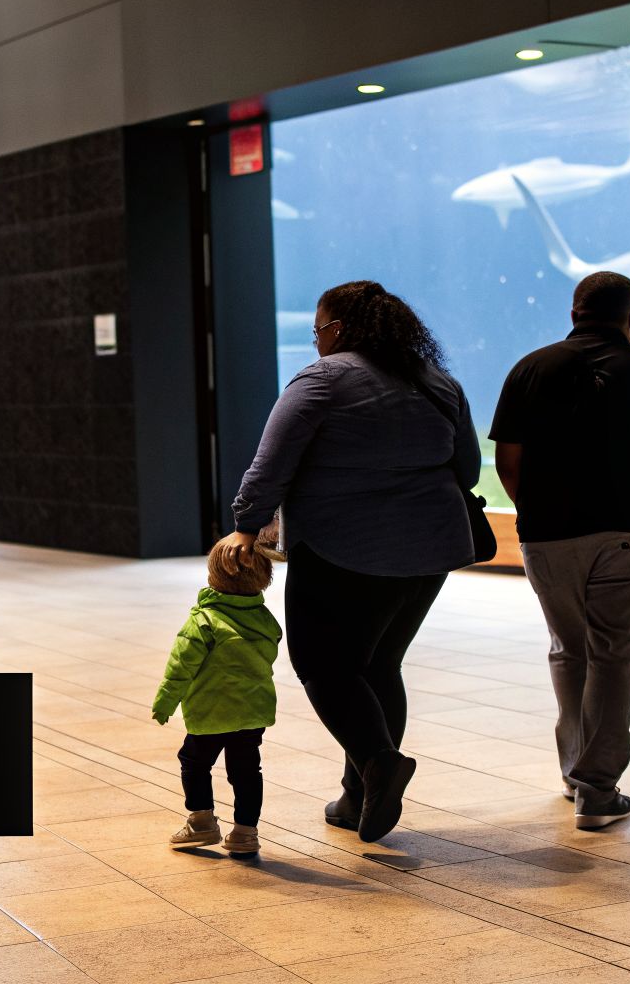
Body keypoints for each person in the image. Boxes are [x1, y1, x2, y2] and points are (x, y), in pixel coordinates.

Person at [221, 280, 480, 844]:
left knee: (323, 665)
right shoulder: (438, 382)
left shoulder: (324, 379)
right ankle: (358, 794)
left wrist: (246, 524)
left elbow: (272, 463)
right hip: (430, 550)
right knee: (380, 664)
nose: (317, 341)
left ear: (338, 329)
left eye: (319, 330)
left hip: (345, 547)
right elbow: (468, 469)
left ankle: (379, 762)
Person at [490, 270, 630, 831]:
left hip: (545, 539)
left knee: (570, 649)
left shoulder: (529, 369)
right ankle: (597, 789)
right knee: (615, 655)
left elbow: (508, 464)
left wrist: (542, 516)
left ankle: (573, 773)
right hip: (626, 537)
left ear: (573, 315)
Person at [152, 537, 282, 857]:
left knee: (194, 761)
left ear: (214, 577)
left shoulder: (204, 620)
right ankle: (246, 833)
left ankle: (201, 822)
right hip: (253, 711)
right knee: (247, 770)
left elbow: (180, 666)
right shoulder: (265, 620)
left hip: (211, 712)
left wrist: (166, 701)